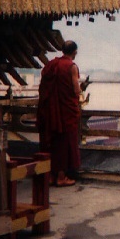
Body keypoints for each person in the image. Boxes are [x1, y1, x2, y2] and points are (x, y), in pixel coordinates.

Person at [37, 40, 83, 186]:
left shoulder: (52, 65)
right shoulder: (71, 66)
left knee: (52, 142)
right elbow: (76, 90)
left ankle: (51, 176)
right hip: (65, 112)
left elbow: (44, 87)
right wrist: (81, 90)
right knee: (64, 143)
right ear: (74, 52)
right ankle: (62, 177)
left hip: (50, 111)